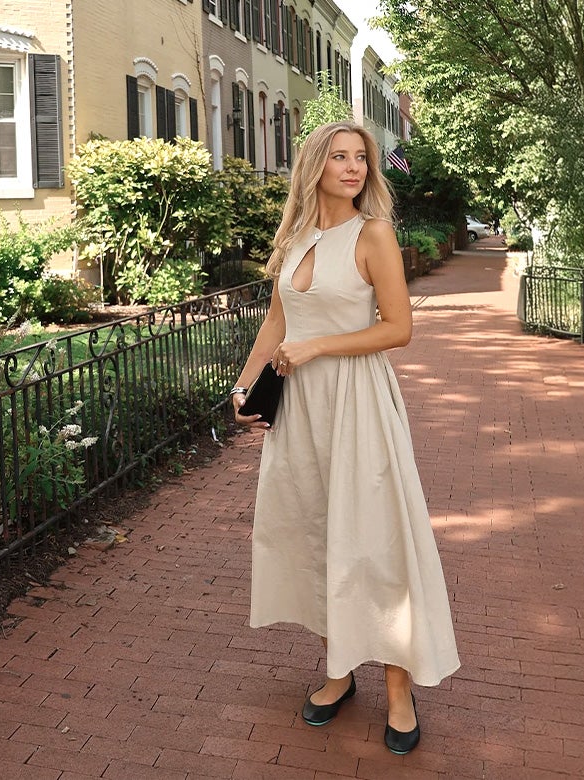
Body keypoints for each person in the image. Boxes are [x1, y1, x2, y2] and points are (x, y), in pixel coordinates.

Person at [229, 121, 460, 754]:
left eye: (362, 158)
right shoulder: (297, 237)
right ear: (316, 165)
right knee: (316, 535)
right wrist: (245, 384)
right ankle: (337, 673)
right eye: (340, 157)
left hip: (358, 404)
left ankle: (398, 690)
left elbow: (399, 329)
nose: (354, 168)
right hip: (301, 412)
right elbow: (278, 319)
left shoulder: (374, 234)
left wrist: (319, 347)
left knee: (374, 542)